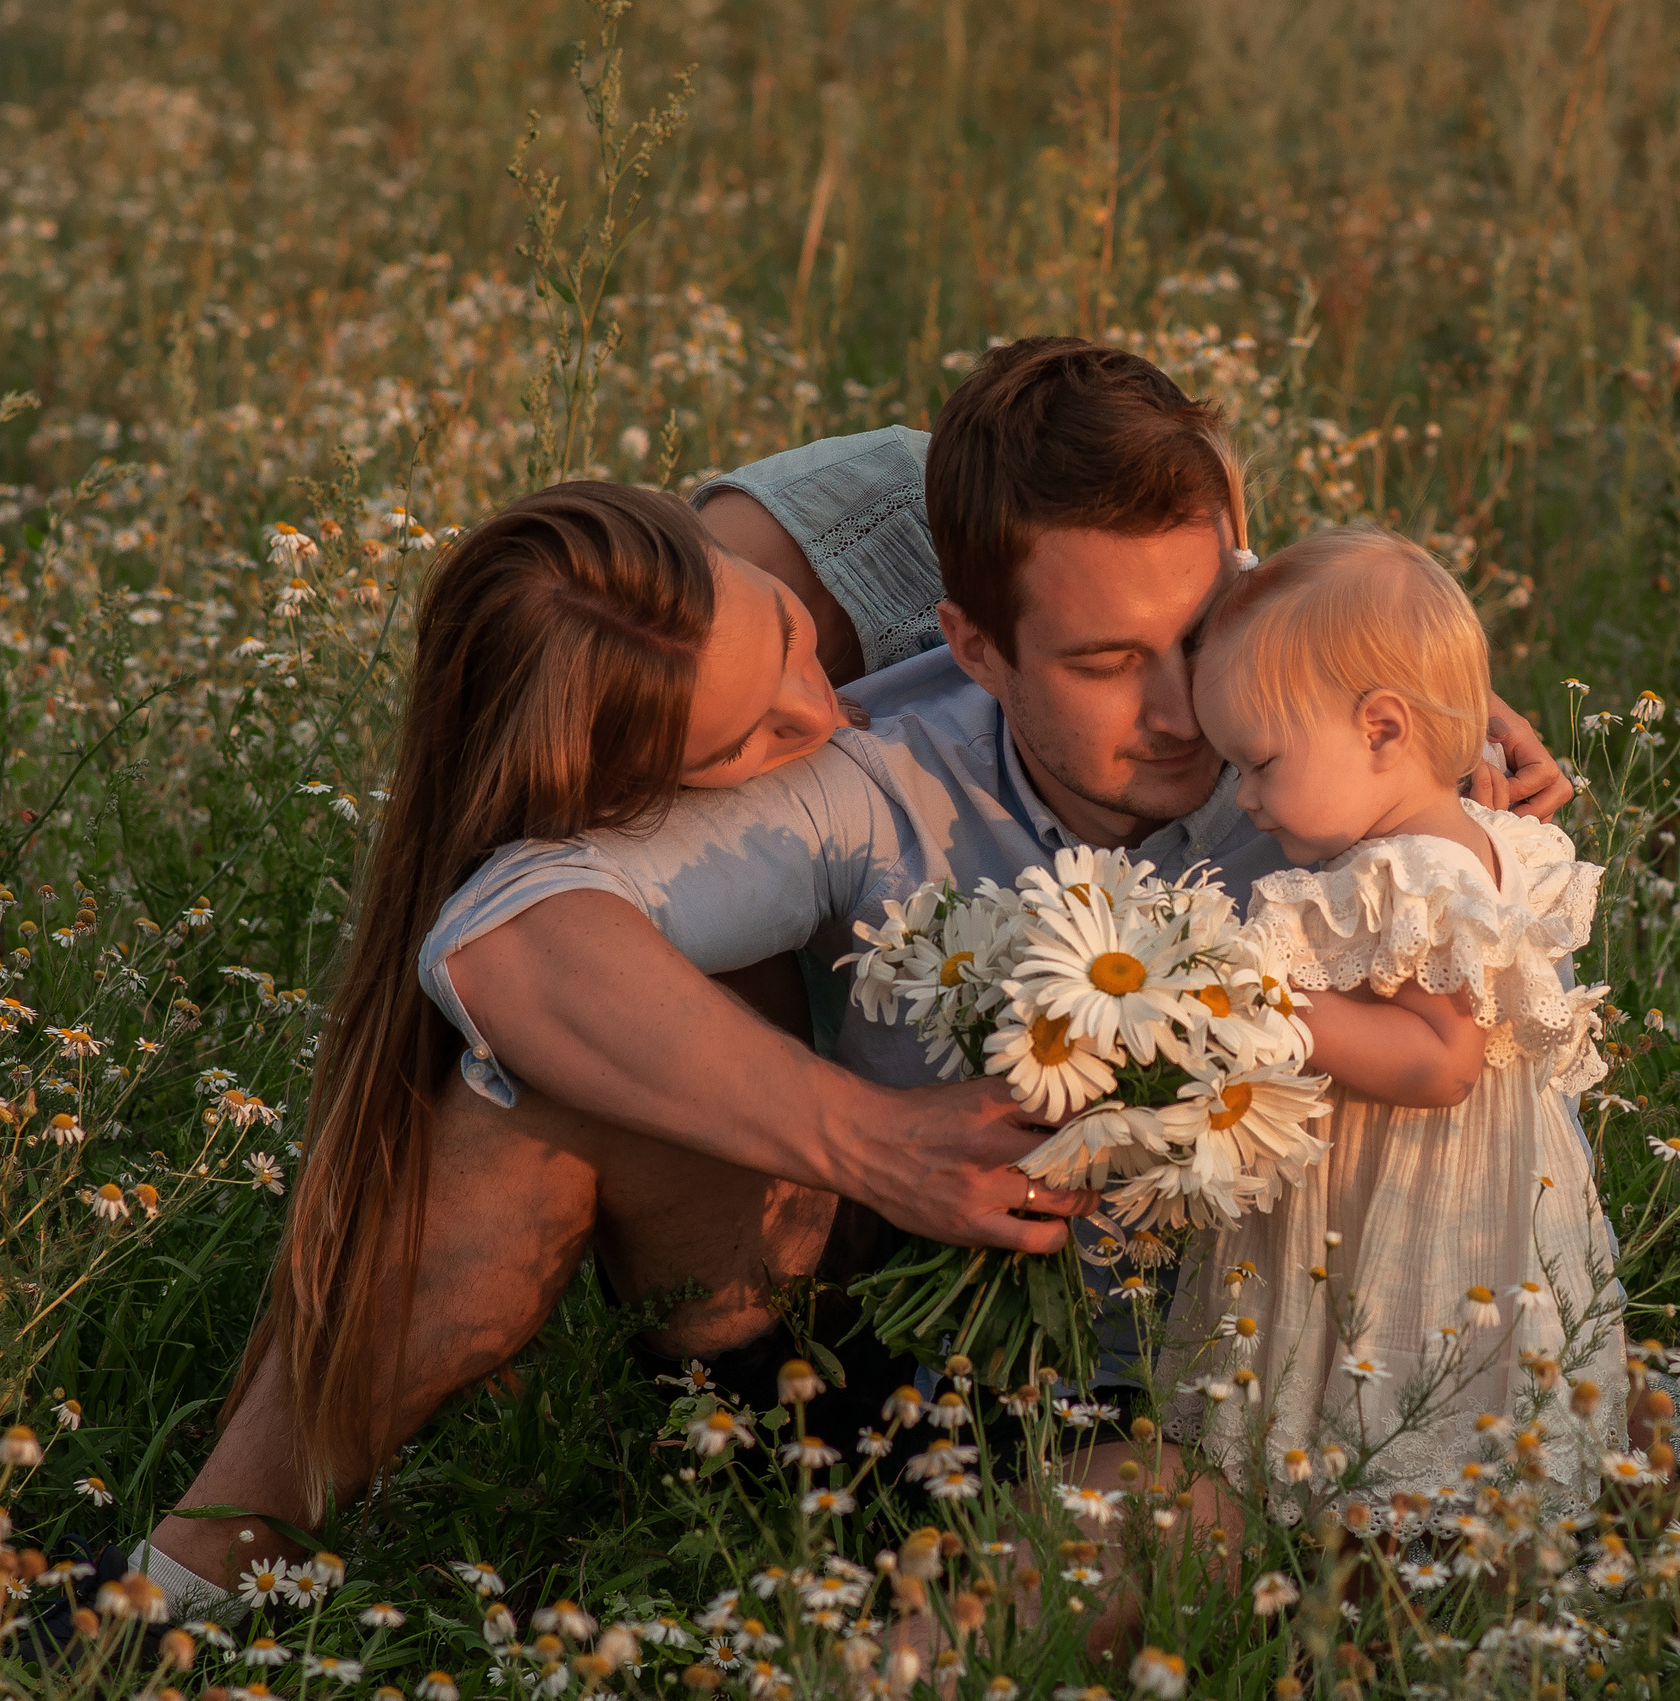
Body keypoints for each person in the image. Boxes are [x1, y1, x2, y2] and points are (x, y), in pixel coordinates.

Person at [135, 337, 1574, 1608]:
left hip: (1200, 1399)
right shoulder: (879, 769)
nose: (1183, 702)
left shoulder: (1334, 776)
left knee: (1159, 1526)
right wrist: (869, 1140)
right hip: (860, 1340)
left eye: (1204, 627)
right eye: (1104, 658)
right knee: (529, 1098)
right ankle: (183, 1585)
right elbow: (501, 928)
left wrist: (1427, 727)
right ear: (975, 647)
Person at [1161, 523, 1628, 1509]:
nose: (1242, 799)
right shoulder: (1474, 840)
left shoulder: (1413, 876)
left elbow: (1441, 1062)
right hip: (1466, 1191)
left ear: (1381, 728)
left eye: (1257, 763)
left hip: (1405, 1194)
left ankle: (1379, 1546)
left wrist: (1261, 1002)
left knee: (1391, 1377)